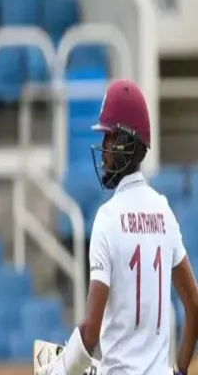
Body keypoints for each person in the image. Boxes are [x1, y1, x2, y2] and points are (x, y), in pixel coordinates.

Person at [35, 79, 198, 375]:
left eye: (108, 138)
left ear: (125, 143)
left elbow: (90, 333)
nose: (103, 149)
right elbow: (195, 305)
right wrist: (180, 370)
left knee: (51, 364)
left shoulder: (108, 218)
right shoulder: (164, 212)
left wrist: (56, 371)